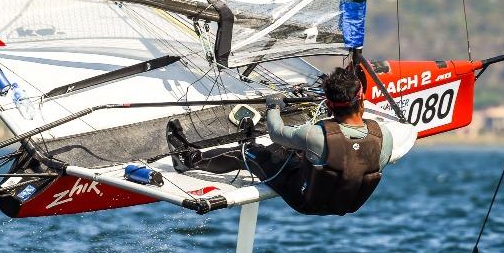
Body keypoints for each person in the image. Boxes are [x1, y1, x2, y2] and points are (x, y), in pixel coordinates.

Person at [168, 67, 414, 215]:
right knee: (288, 152)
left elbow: (276, 131)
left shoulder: (314, 135)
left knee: (250, 151)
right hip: (347, 203)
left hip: (305, 200)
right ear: (361, 102)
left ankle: (188, 159)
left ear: (328, 104)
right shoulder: (384, 135)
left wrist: (273, 106)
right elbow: (353, 156)